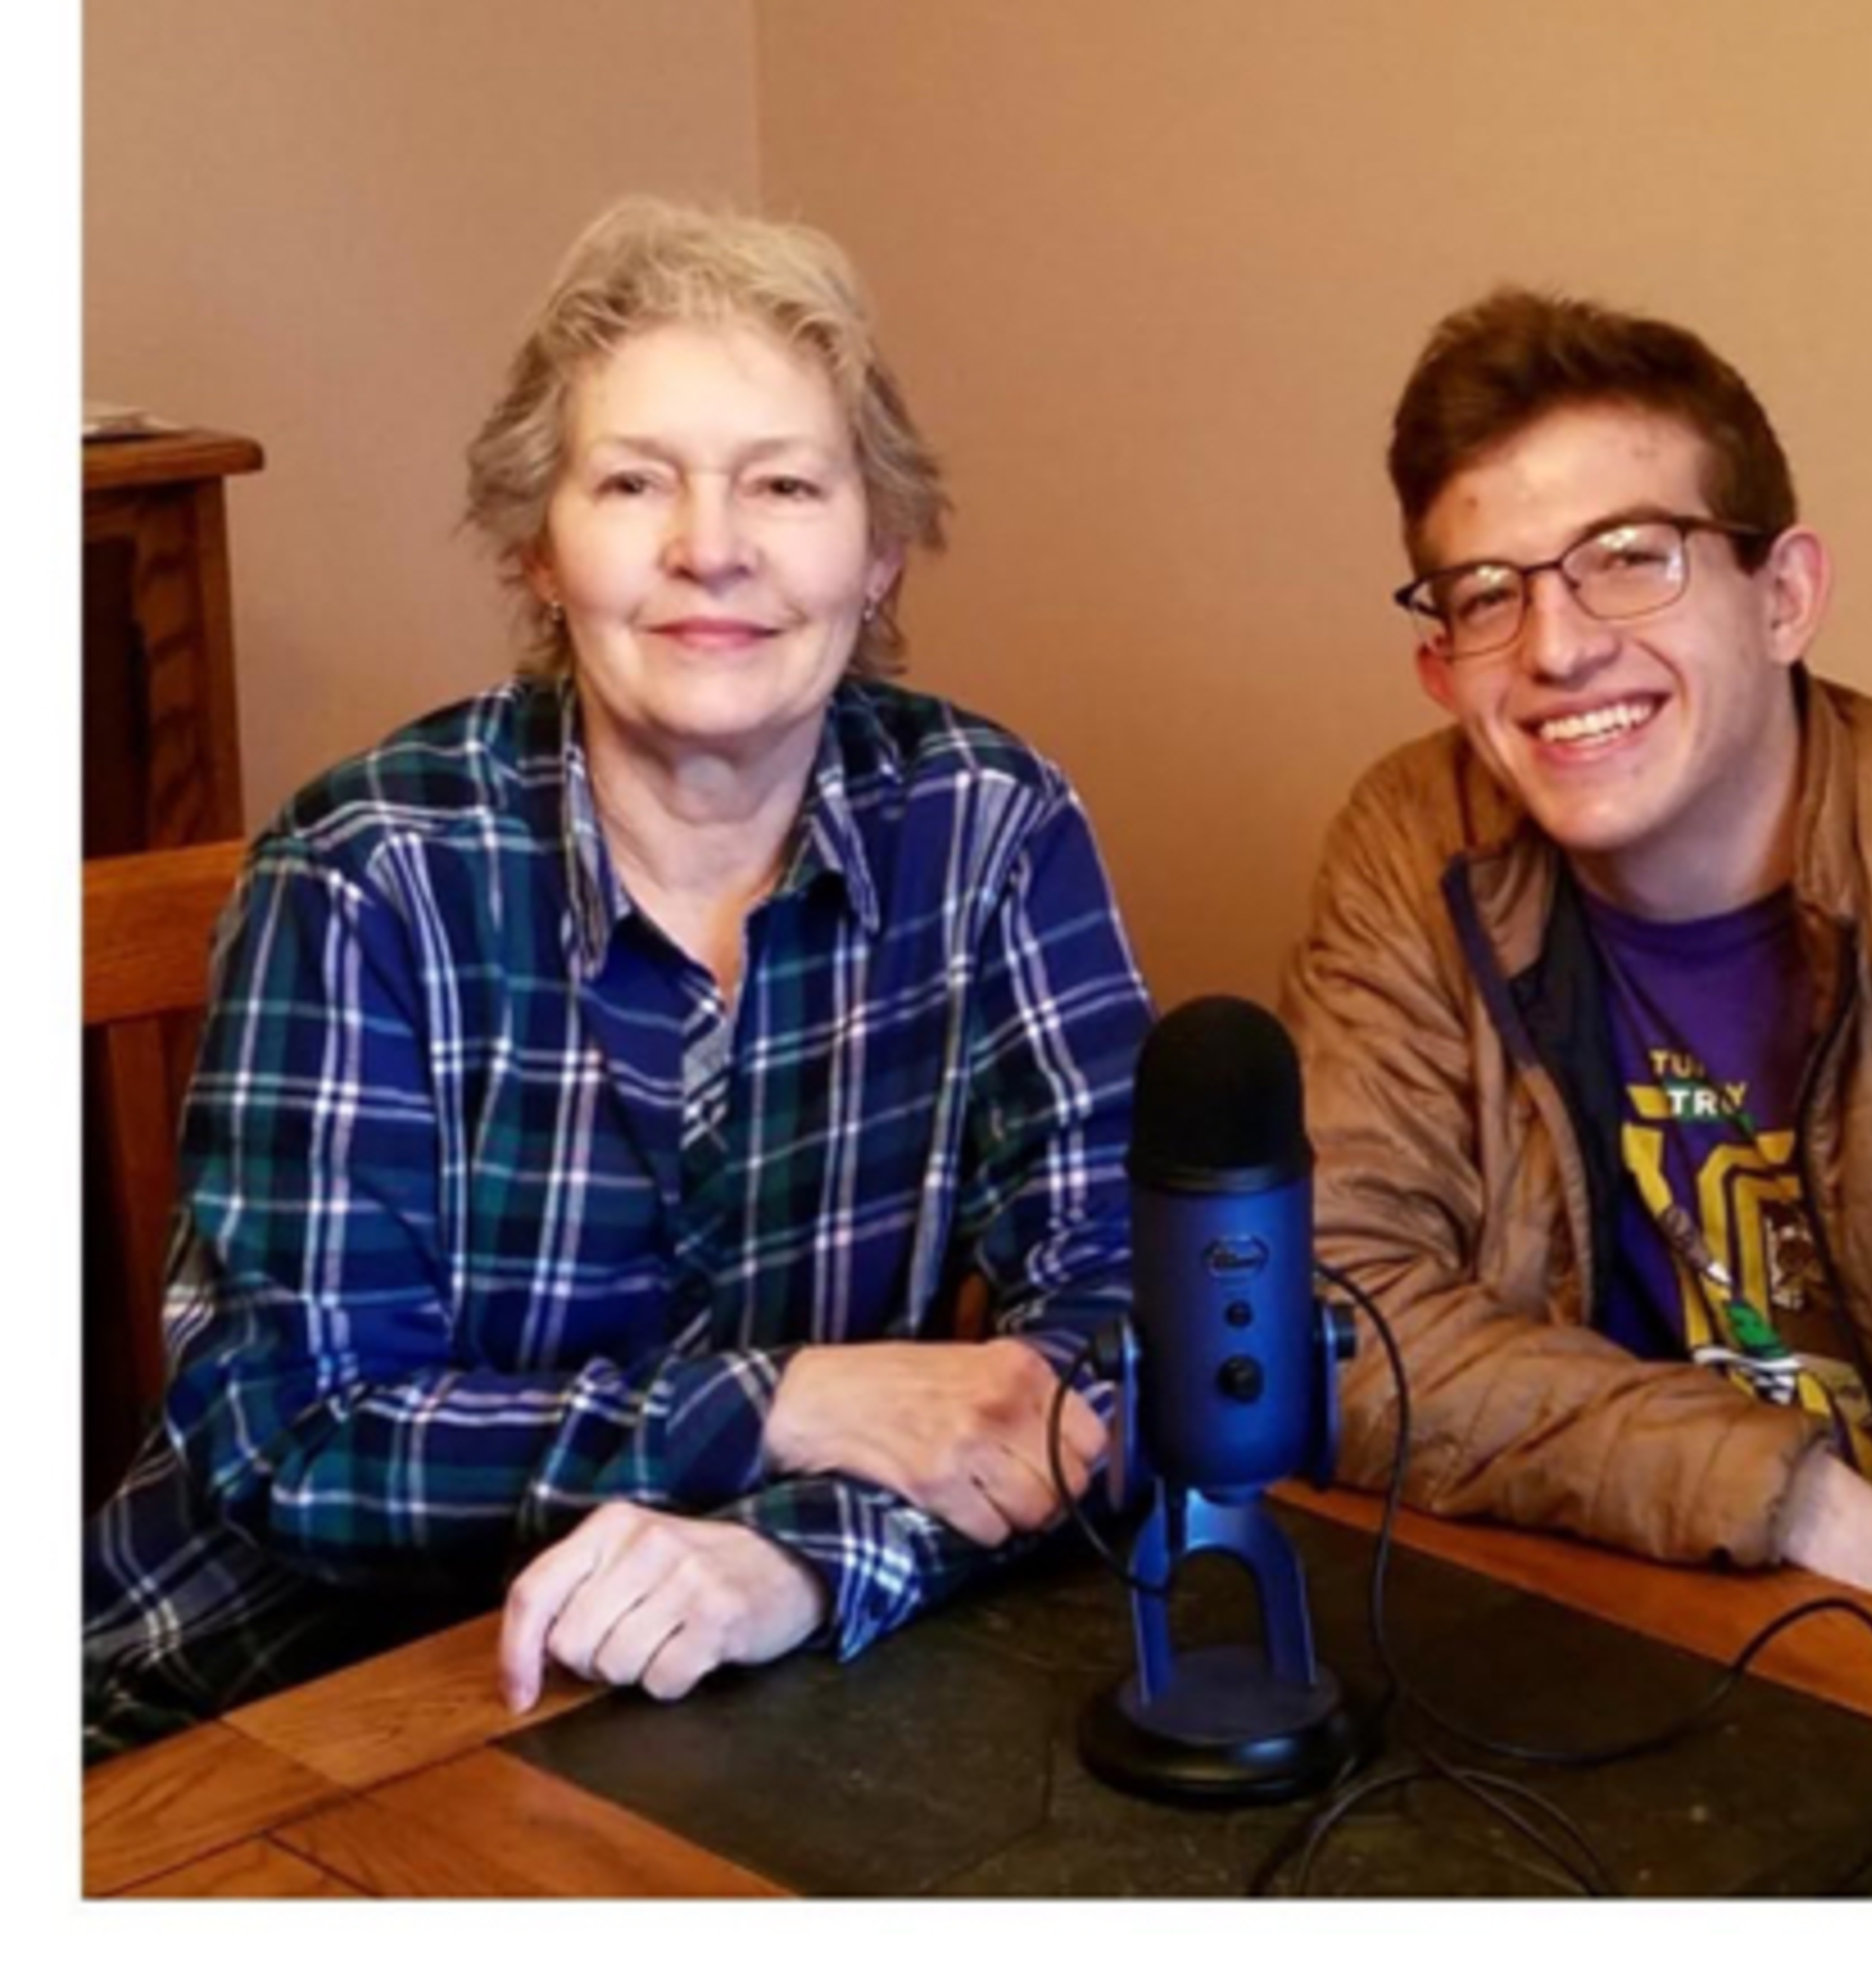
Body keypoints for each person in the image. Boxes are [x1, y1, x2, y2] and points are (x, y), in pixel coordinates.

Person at [84, 198, 1152, 1758]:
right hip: (250, 1706)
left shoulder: (989, 828)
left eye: (785, 484)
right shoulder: (368, 870)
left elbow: (1136, 1327)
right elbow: (293, 1435)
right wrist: (784, 1404)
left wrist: (801, 1561)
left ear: (878, 552)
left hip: (718, 1699)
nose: (710, 547)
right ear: (540, 548)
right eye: (635, 480)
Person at [1281, 287, 1872, 1678]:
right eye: (1490, 594)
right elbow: (1322, 1319)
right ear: (1440, 666)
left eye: (1632, 558)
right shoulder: (1417, 849)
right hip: (1609, 1651)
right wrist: (1790, 1499)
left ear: (1785, 596)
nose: (1558, 647)